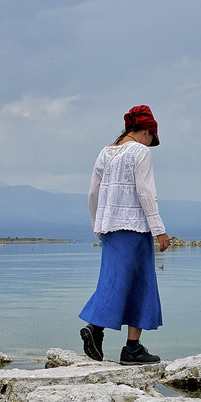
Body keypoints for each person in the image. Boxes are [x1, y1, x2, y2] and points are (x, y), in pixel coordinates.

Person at [77, 104, 169, 364]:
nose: (150, 144)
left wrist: (98, 224)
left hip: (109, 226)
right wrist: (159, 230)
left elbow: (92, 193)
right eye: (152, 139)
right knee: (141, 283)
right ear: (146, 132)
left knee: (114, 279)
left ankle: (96, 329)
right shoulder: (140, 152)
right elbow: (146, 193)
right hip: (134, 226)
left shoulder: (105, 153)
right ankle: (131, 348)